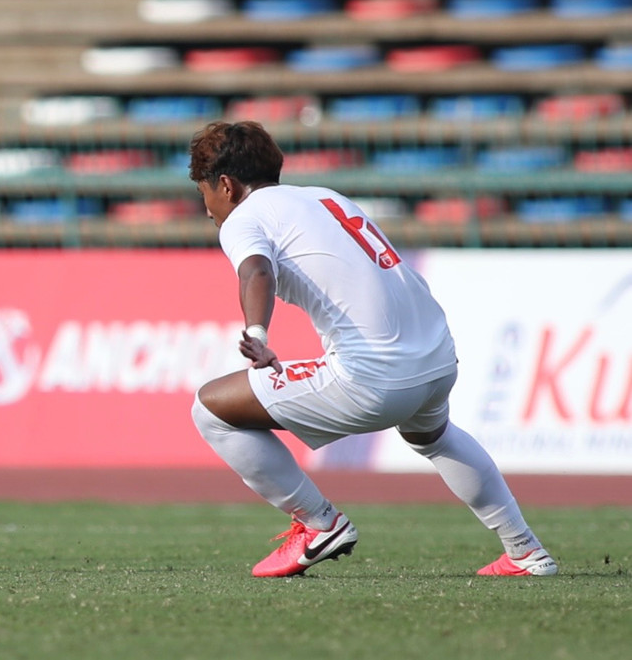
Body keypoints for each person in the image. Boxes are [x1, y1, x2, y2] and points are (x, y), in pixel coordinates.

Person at [187, 120, 556, 578]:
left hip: (375, 377)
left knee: (210, 410)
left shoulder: (244, 217)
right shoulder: (326, 196)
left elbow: (256, 271)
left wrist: (258, 335)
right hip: (438, 356)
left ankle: (318, 523)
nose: (207, 209)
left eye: (203, 192)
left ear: (226, 184)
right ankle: (524, 549)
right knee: (434, 436)